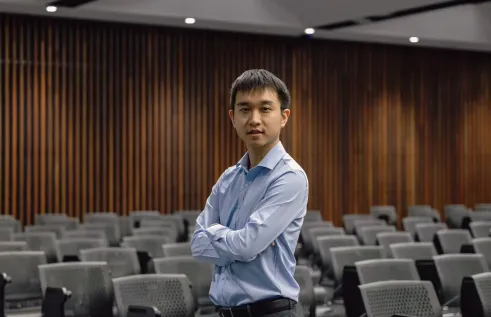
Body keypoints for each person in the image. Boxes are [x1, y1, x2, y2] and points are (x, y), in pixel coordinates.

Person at [191, 69, 308, 317]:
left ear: (284, 116)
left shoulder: (289, 177)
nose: (254, 119)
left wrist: (216, 233)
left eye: (265, 109)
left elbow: (246, 246)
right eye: (245, 110)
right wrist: (235, 239)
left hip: (271, 312)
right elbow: (197, 245)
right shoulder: (228, 179)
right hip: (224, 312)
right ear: (233, 117)